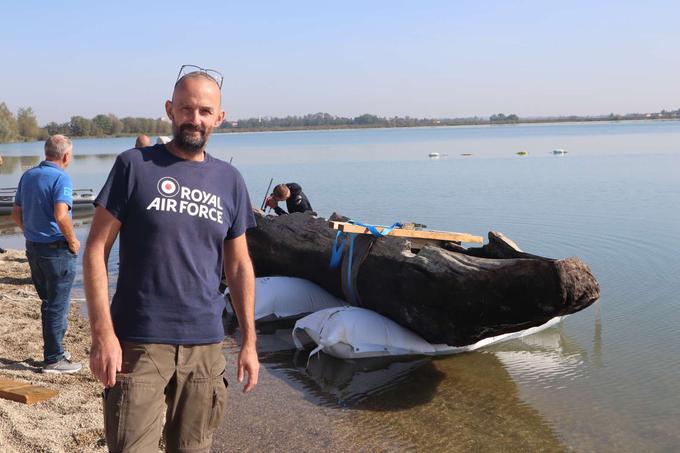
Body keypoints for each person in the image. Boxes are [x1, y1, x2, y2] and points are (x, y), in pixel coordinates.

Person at [84, 67, 259, 452]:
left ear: (219, 117)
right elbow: (96, 250)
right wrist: (102, 334)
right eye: (186, 108)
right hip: (139, 344)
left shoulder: (230, 179)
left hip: (205, 348)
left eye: (204, 111)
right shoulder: (134, 166)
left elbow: (240, 266)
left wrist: (248, 340)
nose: (194, 119)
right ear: (170, 109)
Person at [11, 135, 82, 374]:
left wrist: (30, 232)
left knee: (48, 303)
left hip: (34, 248)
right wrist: (73, 241)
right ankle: (53, 358)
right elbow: (61, 215)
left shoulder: (28, 175)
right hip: (56, 250)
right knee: (57, 305)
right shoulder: (61, 178)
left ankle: (56, 349)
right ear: (65, 156)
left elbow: (16, 214)